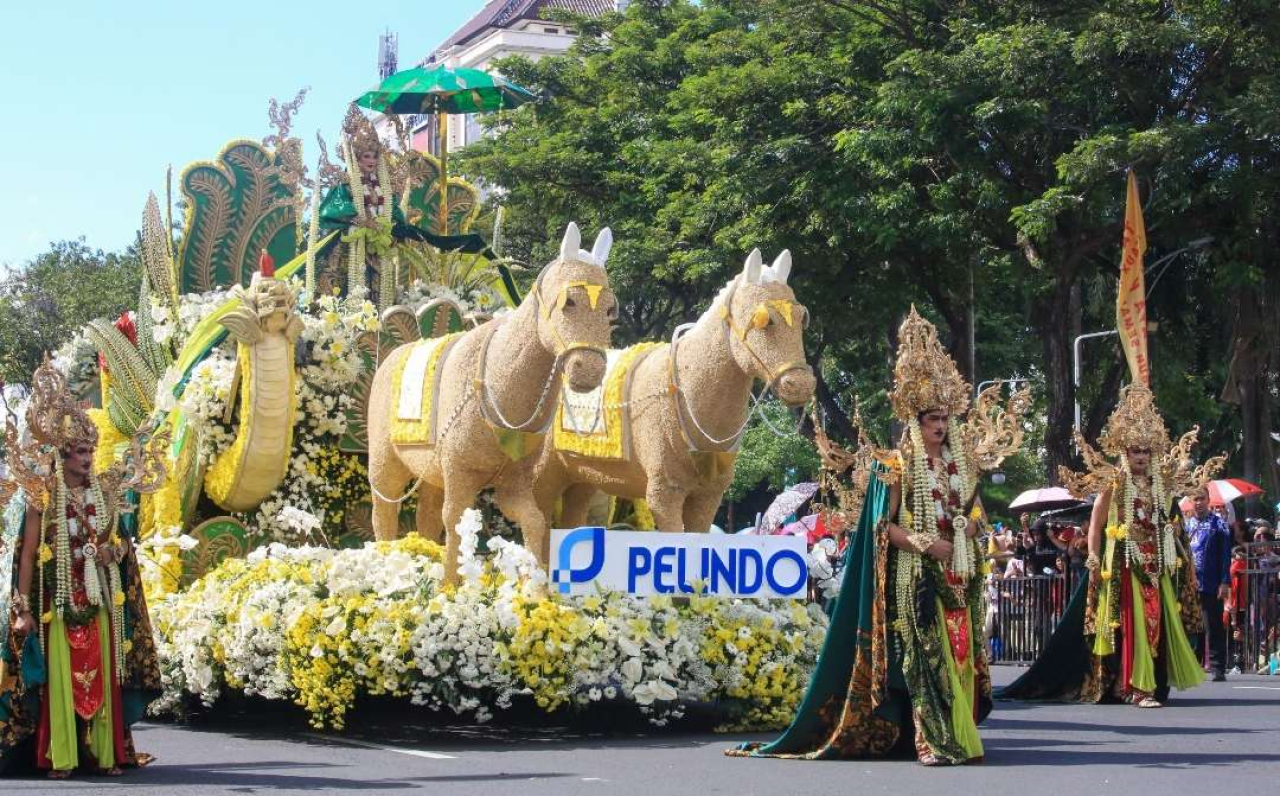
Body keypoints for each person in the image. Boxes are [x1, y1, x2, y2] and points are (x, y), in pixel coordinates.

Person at [728, 307, 1027, 766]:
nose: (941, 427)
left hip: (959, 573)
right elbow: (880, 526)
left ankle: (960, 733)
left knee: (962, 654)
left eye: (946, 418)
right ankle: (931, 739)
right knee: (926, 658)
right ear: (915, 421)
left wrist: (969, 534)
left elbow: (971, 515)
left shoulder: (961, 467)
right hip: (916, 577)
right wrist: (927, 544)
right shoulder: (896, 467)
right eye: (932, 420)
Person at [998, 383, 1219, 707]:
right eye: (1135, 451)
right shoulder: (1114, 484)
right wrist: (1092, 556)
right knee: (1133, 624)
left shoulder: (1159, 487)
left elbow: (1168, 522)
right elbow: (1097, 525)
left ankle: (1140, 683)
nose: (1141, 457)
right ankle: (1134, 687)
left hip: (1154, 565)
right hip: (1123, 565)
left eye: (1146, 451)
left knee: (1156, 621)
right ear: (1124, 453)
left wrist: (1170, 543)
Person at [1, 360, 165, 777]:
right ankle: (62, 755)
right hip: (57, 601)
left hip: (99, 599)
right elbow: (26, 554)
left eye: (91, 450)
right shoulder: (42, 498)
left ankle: (106, 753)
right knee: (61, 679)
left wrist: (112, 555)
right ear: (62, 455)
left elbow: (121, 545)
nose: (89, 458)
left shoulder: (105, 494)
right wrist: (21, 609)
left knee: (103, 675)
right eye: (80, 451)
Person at [1186, 486, 1232, 681]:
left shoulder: (1219, 524)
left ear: (1208, 500)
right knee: (1191, 626)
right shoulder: (1186, 525)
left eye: (1202, 499)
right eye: (1195, 499)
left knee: (1212, 625)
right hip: (1189, 585)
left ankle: (1217, 666)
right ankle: (1192, 665)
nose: (1198, 503)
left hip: (1211, 583)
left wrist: (1224, 582)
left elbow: (1225, 556)